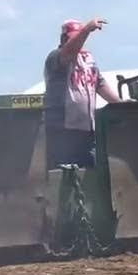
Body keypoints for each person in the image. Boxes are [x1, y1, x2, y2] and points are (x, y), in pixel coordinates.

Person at [43, 18, 121, 169]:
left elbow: (100, 84)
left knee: (91, 170)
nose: (79, 42)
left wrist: (121, 105)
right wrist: (86, 30)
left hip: (86, 130)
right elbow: (68, 53)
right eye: (74, 38)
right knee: (65, 173)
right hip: (63, 130)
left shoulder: (87, 61)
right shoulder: (55, 57)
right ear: (63, 39)